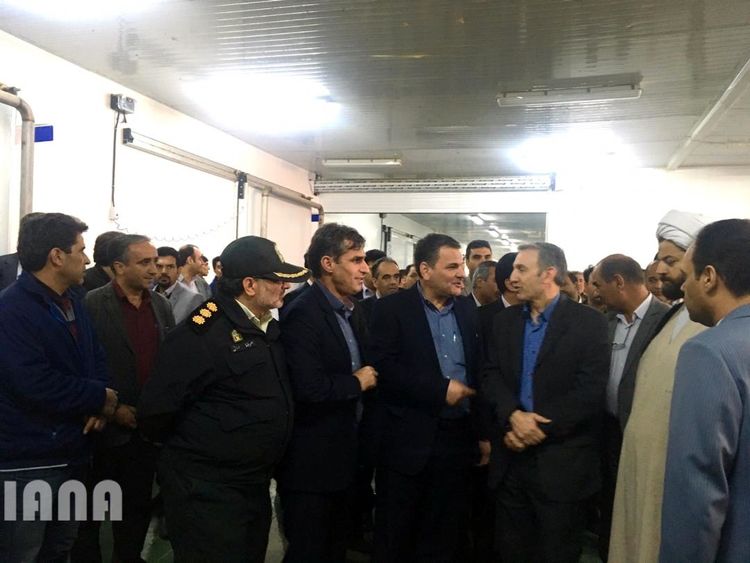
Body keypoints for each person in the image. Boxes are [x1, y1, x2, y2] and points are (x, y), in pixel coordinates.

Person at [138, 236, 308, 562]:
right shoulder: (202, 331)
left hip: (250, 483)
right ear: (249, 285)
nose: (285, 287)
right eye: (276, 280)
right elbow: (157, 410)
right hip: (207, 490)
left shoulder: (262, 325)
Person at [0, 213, 118, 561]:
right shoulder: (12, 310)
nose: (87, 259)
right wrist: (98, 397)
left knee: (60, 547)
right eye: (80, 250)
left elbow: (95, 358)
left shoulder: (72, 301)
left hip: (72, 450)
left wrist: (100, 402)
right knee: (22, 552)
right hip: (28, 460)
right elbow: (32, 382)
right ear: (56, 256)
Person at [482, 242, 610, 563]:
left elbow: (589, 391)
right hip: (510, 461)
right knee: (510, 551)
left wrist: (535, 428)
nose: (512, 277)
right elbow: (491, 375)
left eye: (521, 269)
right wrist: (513, 416)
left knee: (557, 552)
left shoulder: (589, 323)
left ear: (548, 274)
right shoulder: (504, 321)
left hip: (562, 465)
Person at [370, 233, 486, 562]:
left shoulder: (466, 309)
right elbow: (384, 368)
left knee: (445, 533)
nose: (461, 273)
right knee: (398, 533)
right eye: (452, 267)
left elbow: (477, 369)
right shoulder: (391, 310)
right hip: (407, 440)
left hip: (458, 438)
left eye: (461, 265)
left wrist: (483, 433)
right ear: (425, 270)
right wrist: (439, 389)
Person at [609, 209, 709, 563]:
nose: (659, 269)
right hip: (641, 465)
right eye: (658, 259)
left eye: (671, 260)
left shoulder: (713, 323)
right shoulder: (677, 313)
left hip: (672, 471)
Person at [277, 223, 377, 563]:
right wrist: (356, 382)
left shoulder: (351, 310)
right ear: (328, 264)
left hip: (345, 457)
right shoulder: (303, 312)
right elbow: (308, 387)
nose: (365, 269)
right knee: (309, 550)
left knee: (336, 548)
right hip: (312, 463)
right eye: (356, 260)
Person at [73, 234, 175, 563]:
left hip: (145, 431)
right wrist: (112, 408)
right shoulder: (91, 304)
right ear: (119, 267)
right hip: (103, 430)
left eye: (155, 262)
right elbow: (82, 363)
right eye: (144, 263)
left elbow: (167, 362)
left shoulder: (160, 305)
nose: (154, 270)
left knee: (135, 509)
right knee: (90, 513)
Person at [660, 219, 750, 562]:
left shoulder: (709, 352)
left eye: (687, 275)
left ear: (709, 277)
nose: (683, 287)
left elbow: (696, 488)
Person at [588, 254, 669, 560]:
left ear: (619, 282)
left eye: (599, 285)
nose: (595, 292)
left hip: (642, 432)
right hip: (606, 429)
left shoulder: (665, 321)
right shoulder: (604, 321)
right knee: (608, 500)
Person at [154, 246, 204, 324]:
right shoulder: (147, 295)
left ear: (179, 270)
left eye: (170, 267)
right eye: (159, 266)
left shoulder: (193, 299)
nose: (164, 271)